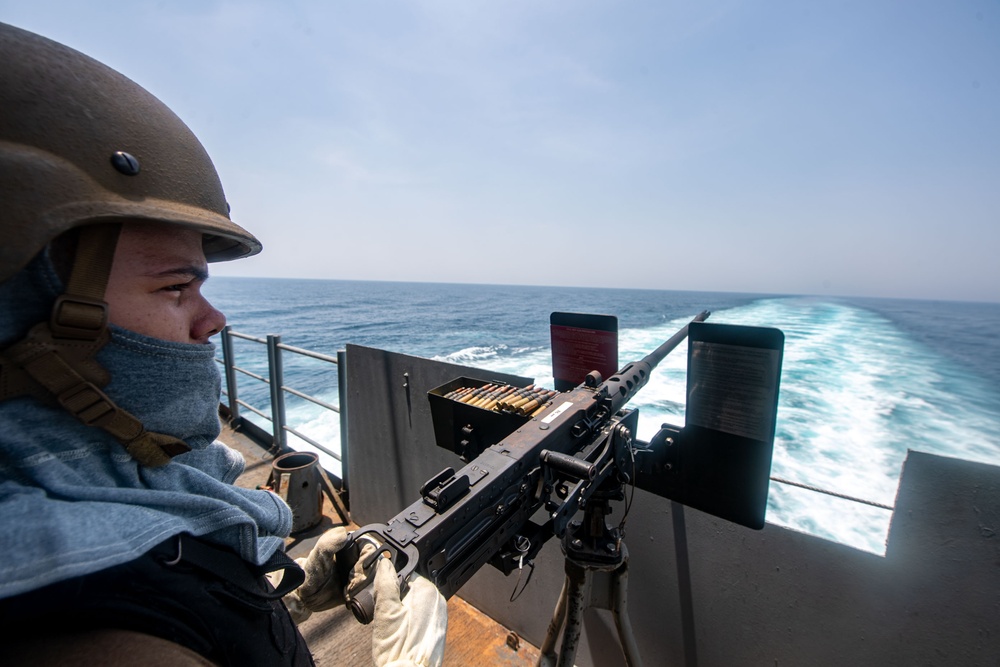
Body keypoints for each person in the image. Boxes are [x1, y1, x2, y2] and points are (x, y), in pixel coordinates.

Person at [0, 21, 446, 667]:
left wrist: (274, 596)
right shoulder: (98, 628)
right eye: (176, 286)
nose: (212, 320)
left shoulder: (105, 496)